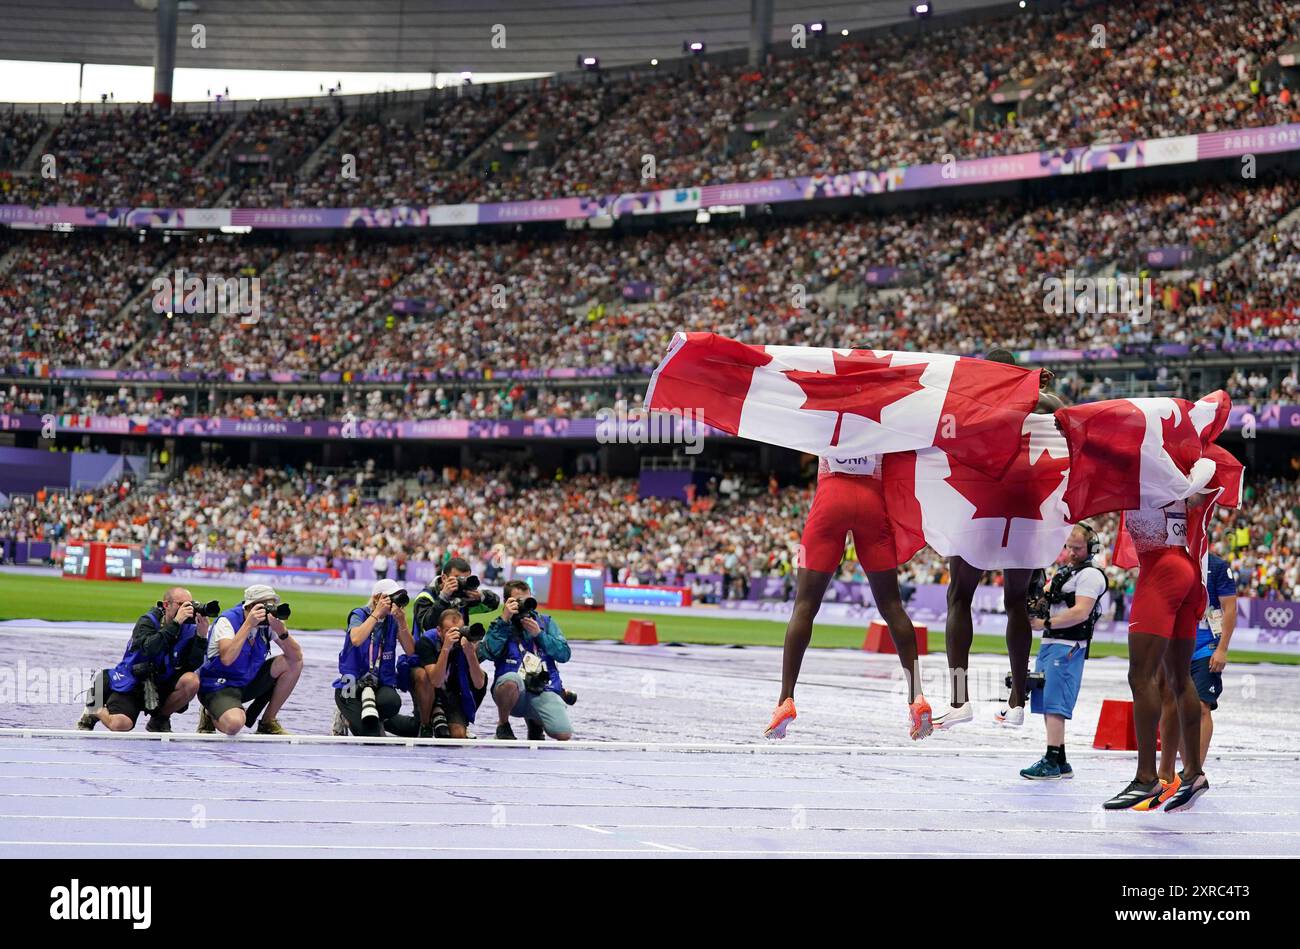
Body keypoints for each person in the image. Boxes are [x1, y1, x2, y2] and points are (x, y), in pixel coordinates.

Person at [935, 348, 1066, 731]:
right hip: (1026, 504)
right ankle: (1017, 701)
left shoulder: (971, 397)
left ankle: (959, 700)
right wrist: (1031, 388)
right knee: (1016, 603)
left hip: (982, 500)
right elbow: (1059, 410)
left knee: (959, 597)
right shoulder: (1032, 400)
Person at [764, 452, 932, 741]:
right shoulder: (884, 413)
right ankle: (916, 695)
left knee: (804, 606)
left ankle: (785, 700)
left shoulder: (826, 411)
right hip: (871, 499)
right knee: (892, 607)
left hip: (832, 494)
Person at [1103, 499, 1210, 812]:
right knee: (1179, 677)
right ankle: (1193, 772)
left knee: (1141, 676)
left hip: (1161, 569)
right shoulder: (1178, 469)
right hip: (1186, 568)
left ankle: (1146, 776)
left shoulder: (1147, 462)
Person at [1018, 526, 1106, 779]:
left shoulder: (1090, 575)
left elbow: (1081, 612)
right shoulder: (1066, 572)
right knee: (1046, 700)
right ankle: (1061, 760)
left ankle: (1052, 759)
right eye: (1069, 547)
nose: (1072, 552)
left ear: (1091, 549)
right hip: (1052, 642)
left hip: (1068, 645)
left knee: (1055, 703)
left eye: (1077, 548)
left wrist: (1045, 623)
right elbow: (1046, 597)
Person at [1152, 552, 1238, 801]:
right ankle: (1184, 772)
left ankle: (1193, 774)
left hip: (1205, 647)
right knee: (1174, 707)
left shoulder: (1217, 566)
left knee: (1201, 706)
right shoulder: (1167, 562)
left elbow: (1229, 608)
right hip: (1174, 645)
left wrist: (1222, 648)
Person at [77, 587, 209, 733]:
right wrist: (176, 623)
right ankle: (95, 706)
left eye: (189, 604)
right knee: (120, 725)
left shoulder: (190, 628)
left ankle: (159, 720)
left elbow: (191, 664)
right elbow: (150, 649)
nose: (186, 609)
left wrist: (201, 637)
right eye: (181, 604)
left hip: (161, 681)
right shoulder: (148, 622)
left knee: (192, 680)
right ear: (166, 605)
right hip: (133, 681)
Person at [404, 557, 500, 737]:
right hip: (427, 658)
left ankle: (456, 717)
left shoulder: (463, 597)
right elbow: (427, 624)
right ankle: (425, 723)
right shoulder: (426, 597)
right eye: (456, 578)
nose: (461, 584)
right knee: (425, 679)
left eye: (466, 579)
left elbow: (494, 603)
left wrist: (481, 596)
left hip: (455, 660)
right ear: (443, 578)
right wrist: (444, 597)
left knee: (477, 677)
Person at [196, 584, 303, 736]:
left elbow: (297, 657)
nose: (269, 611)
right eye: (265, 606)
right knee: (234, 724)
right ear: (251, 607)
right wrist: (248, 625)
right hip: (219, 685)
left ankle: (267, 721)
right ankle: (211, 713)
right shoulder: (227, 621)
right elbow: (227, 659)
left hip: (247, 681)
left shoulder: (268, 623)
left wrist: (282, 632)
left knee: (291, 663)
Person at [480, 580, 573, 741]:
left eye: (527, 600)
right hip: (513, 691)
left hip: (544, 689)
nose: (524, 606)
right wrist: (504, 621)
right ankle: (503, 724)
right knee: (511, 680)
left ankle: (535, 722)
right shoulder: (500, 624)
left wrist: (540, 635)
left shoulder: (545, 623)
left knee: (563, 733)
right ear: (507, 602)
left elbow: (564, 654)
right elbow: (488, 652)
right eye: (518, 601)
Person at [331, 579, 417, 738]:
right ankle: (345, 714)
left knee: (392, 703)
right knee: (370, 734)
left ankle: (376, 718)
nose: (394, 602)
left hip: (379, 685)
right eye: (390, 597)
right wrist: (376, 614)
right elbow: (356, 639)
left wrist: (402, 622)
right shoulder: (359, 614)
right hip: (352, 685)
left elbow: (411, 651)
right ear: (377, 598)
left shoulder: (393, 620)